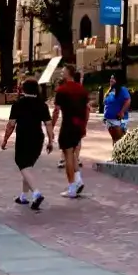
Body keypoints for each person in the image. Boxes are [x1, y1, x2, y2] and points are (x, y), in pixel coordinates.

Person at [0, 79, 54, 210]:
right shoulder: (42, 105)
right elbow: (48, 124)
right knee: (27, 166)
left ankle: (36, 193)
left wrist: (5, 139)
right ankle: (23, 196)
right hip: (38, 138)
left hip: (24, 138)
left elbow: (11, 124)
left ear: (23, 89)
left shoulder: (18, 104)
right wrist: (50, 141)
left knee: (22, 164)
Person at [51, 66, 89, 198]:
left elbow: (56, 111)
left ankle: (72, 187)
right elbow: (86, 110)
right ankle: (78, 180)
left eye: (63, 71)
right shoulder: (82, 90)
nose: (62, 73)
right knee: (72, 153)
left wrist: (51, 126)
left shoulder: (62, 90)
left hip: (68, 124)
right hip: (79, 125)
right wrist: (84, 126)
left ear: (68, 73)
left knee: (67, 154)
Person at [102, 74, 131, 144]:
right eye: (111, 78)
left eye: (113, 78)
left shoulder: (122, 89)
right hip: (109, 120)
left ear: (118, 80)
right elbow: (107, 104)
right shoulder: (110, 90)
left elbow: (128, 100)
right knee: (115, 140)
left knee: (120, 141)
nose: (111, 80)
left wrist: (122, 112)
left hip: (118, 120)